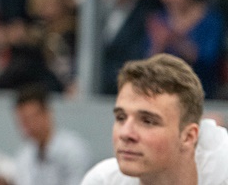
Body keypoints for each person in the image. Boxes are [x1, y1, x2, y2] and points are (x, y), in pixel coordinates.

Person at [82, 54, 228, 184]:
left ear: (188, 136)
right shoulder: (103, 180)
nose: (125, 133)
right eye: (121, 118)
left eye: (147, 121)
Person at [11, 85, 90, 185]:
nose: (27, 126)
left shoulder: (73, 150)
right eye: (22, 120)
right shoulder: (24, 154)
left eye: (31, 118)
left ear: (47, 114)